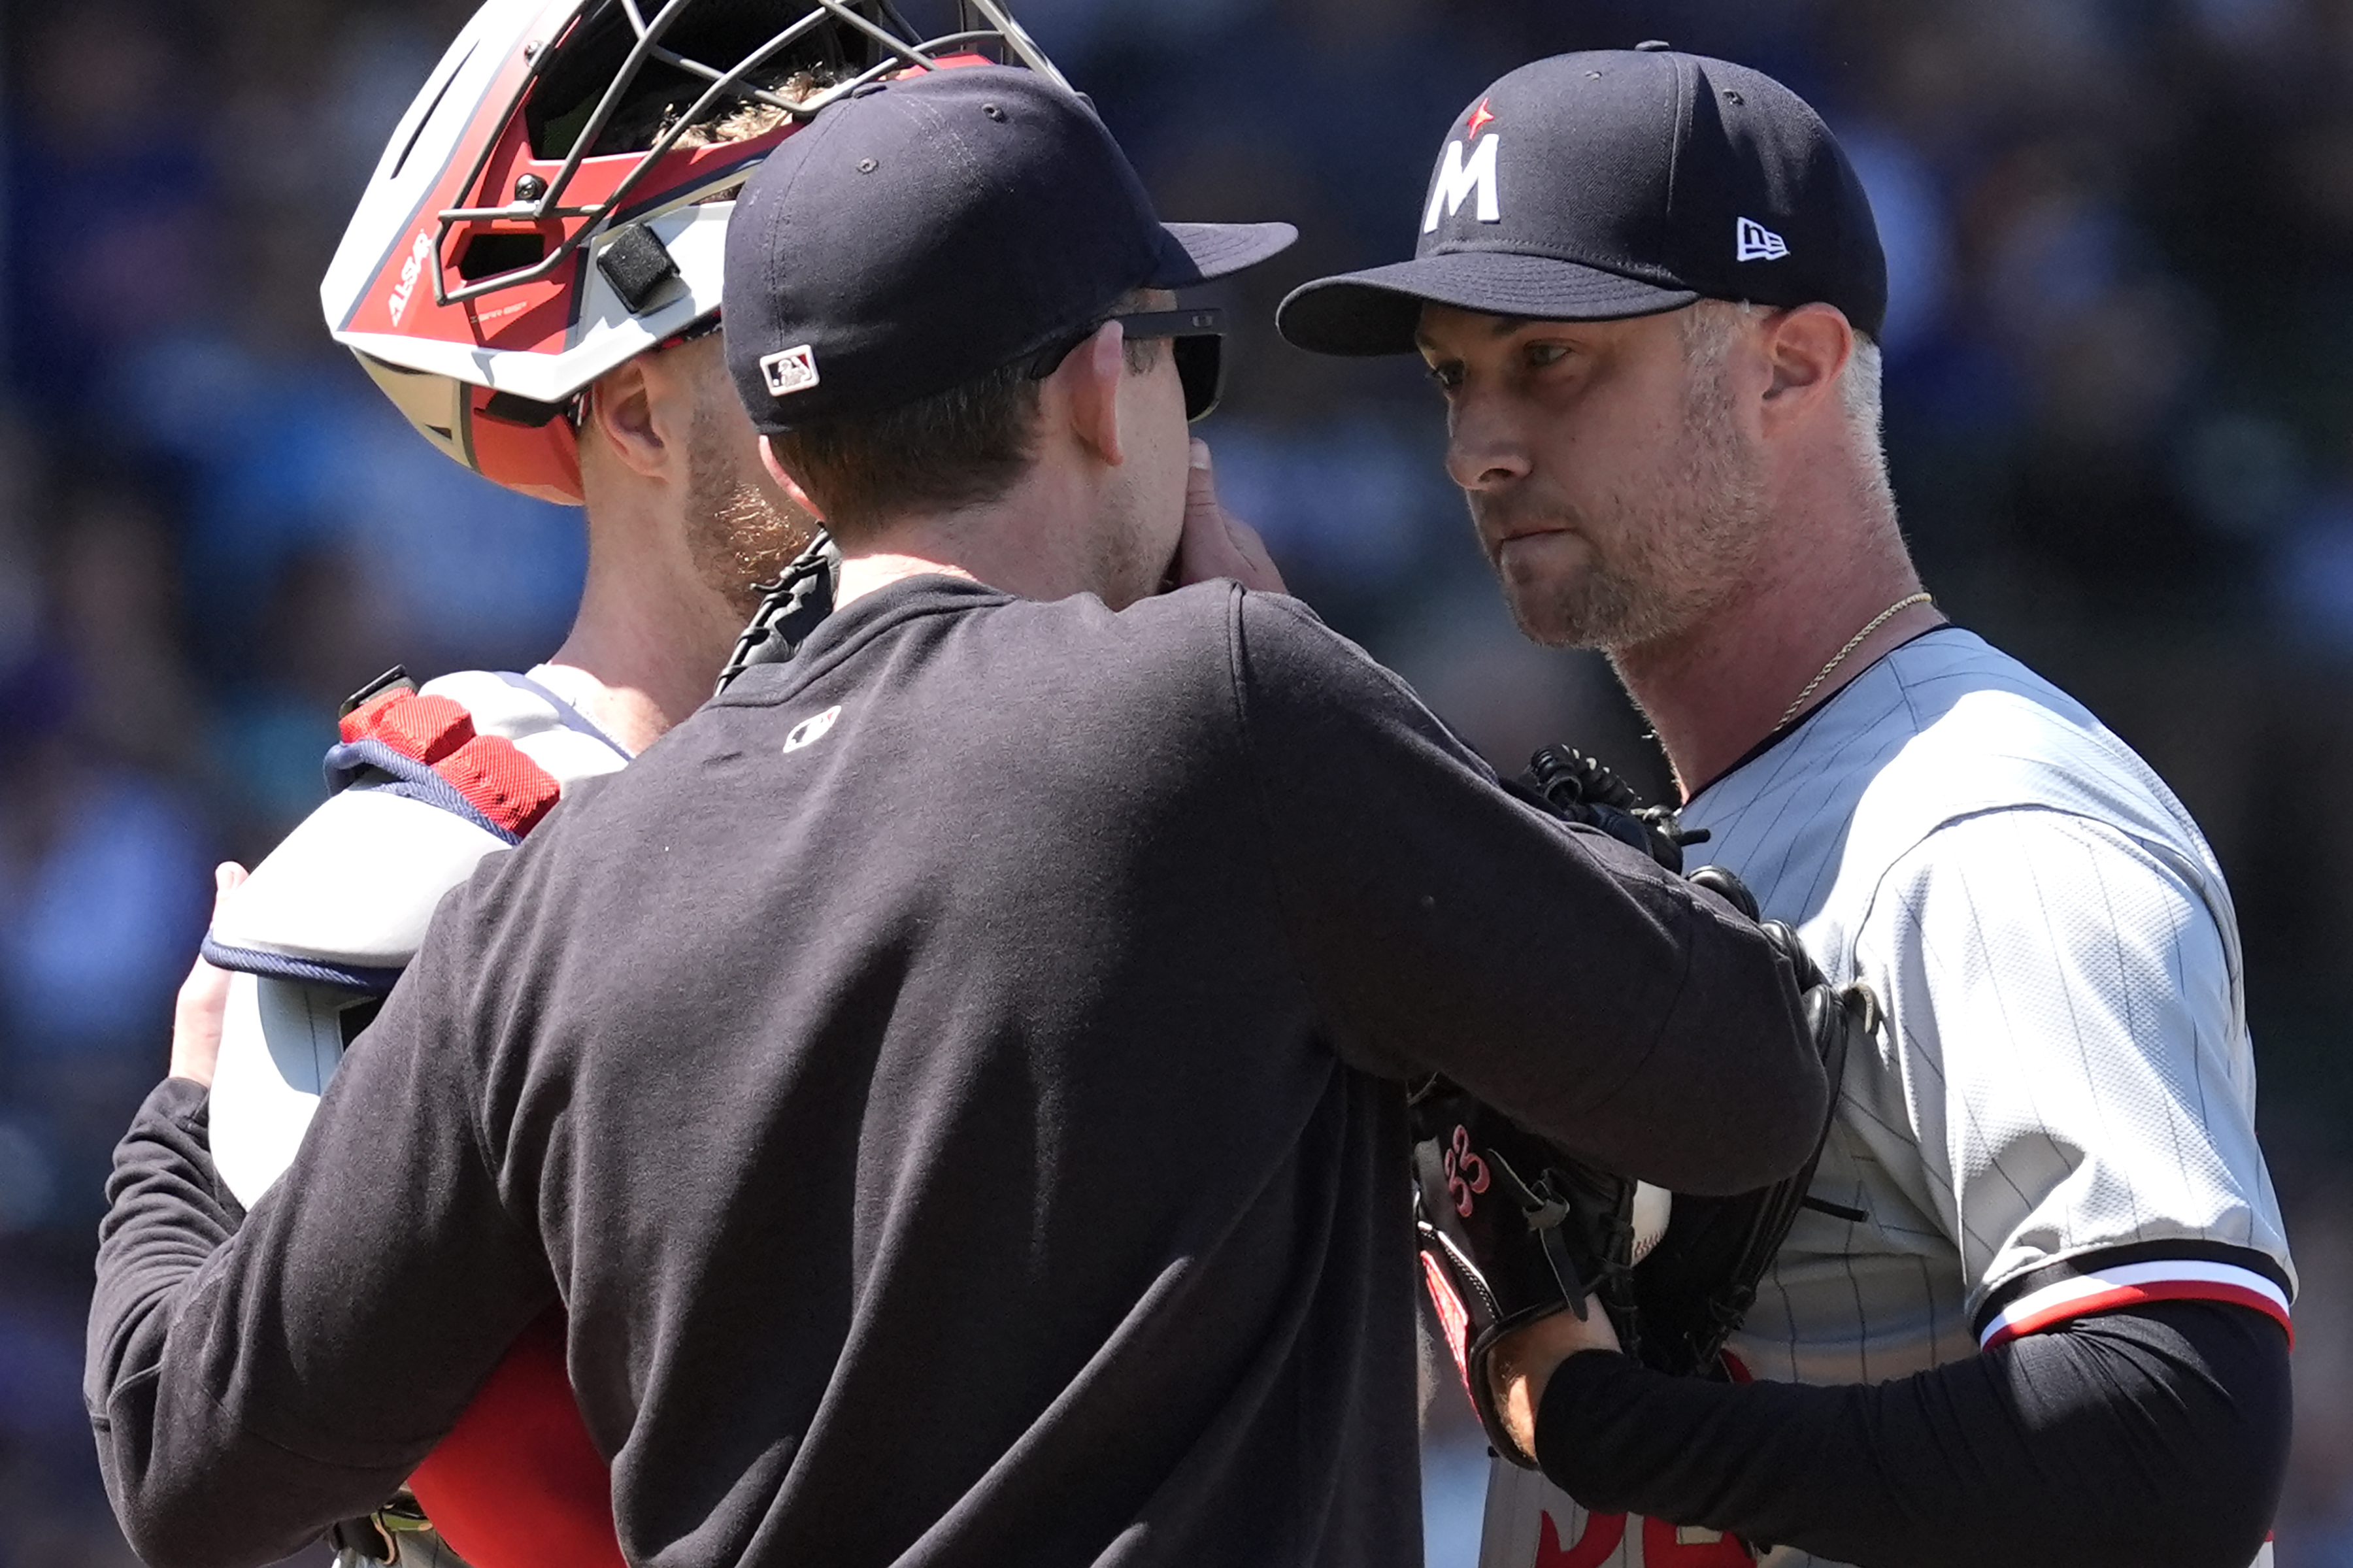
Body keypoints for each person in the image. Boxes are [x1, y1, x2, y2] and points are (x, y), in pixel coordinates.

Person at [88, 65, 1836, 1568]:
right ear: (1097, 384)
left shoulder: (549, 903)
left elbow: (188, 1476)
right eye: (1181, 361)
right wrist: (1307, 665)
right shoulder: (1224, 710)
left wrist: (179, 1119)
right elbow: (1743, 1081)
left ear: (790, 460)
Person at [1277, 45, 2294, 1568]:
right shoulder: (1726, 826)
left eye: (1551, 358)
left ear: (1792, 365)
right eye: (1453, 375)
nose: (1478, 448)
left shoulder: (1984, 824)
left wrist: (1590, 1414)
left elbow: (2173, 1430)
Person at [178, 5, 1071, 1564]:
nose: (900, 375)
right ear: (642, 403)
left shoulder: (1103, 769)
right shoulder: (425, 884)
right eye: (820, 319)